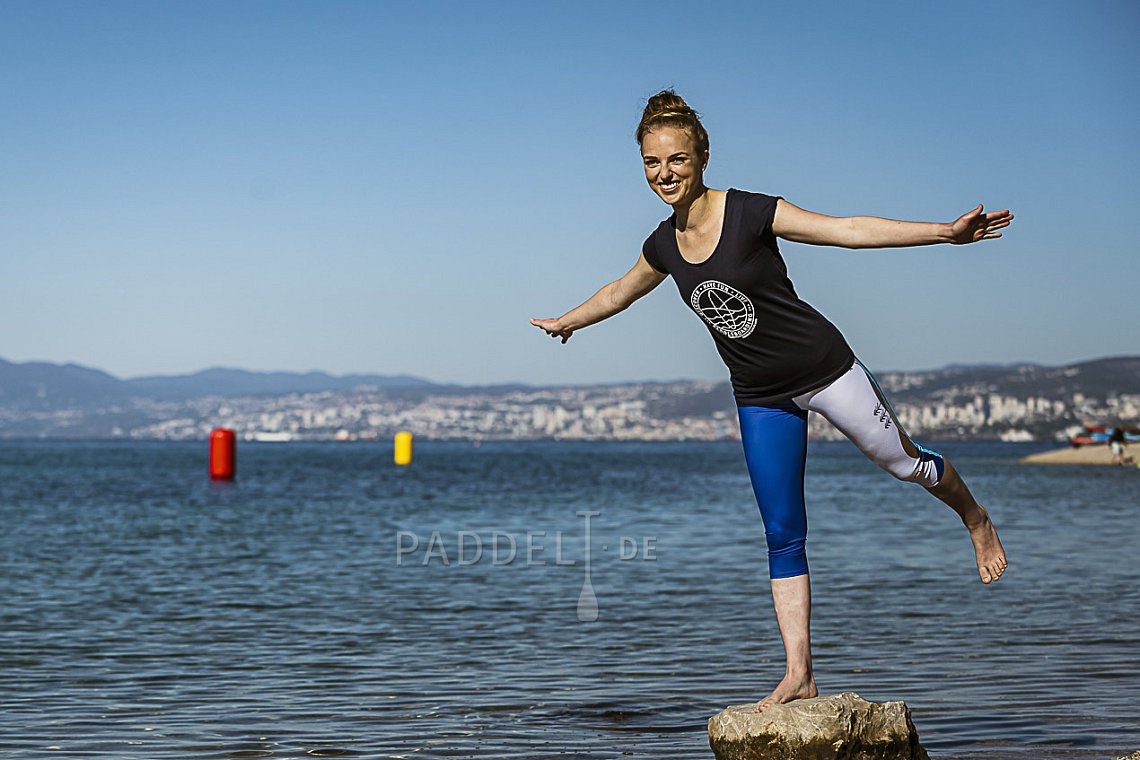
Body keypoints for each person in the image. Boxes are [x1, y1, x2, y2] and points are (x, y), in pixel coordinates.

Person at [530, 90, 1009, 712]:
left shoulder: (750, 211)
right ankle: (800, 674)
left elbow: (846, 230)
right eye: (651, 163)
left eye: (675, 159)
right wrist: (571, 320)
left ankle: (974, 518)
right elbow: (619, 291)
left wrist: (943, 233)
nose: (664, 173)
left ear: (702, 157)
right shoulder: (664, 246)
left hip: (826, 368)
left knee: (904, 464)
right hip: (759, 394)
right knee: (782, 532)